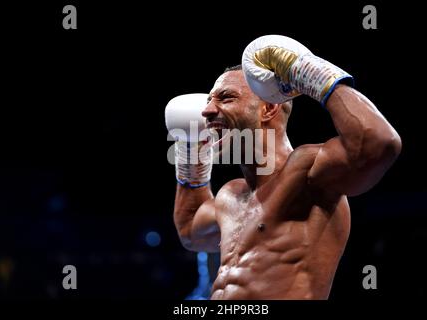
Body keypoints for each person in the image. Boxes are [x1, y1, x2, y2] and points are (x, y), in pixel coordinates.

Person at [165, 35, 402, 299]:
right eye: (209, 101)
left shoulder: (307, 172)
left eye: (226, 98)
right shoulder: (230, 194)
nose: (206, 111)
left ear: (268, 109)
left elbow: (379, 144)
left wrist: (309, 72)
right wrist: (189, 153)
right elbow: (190, 233)